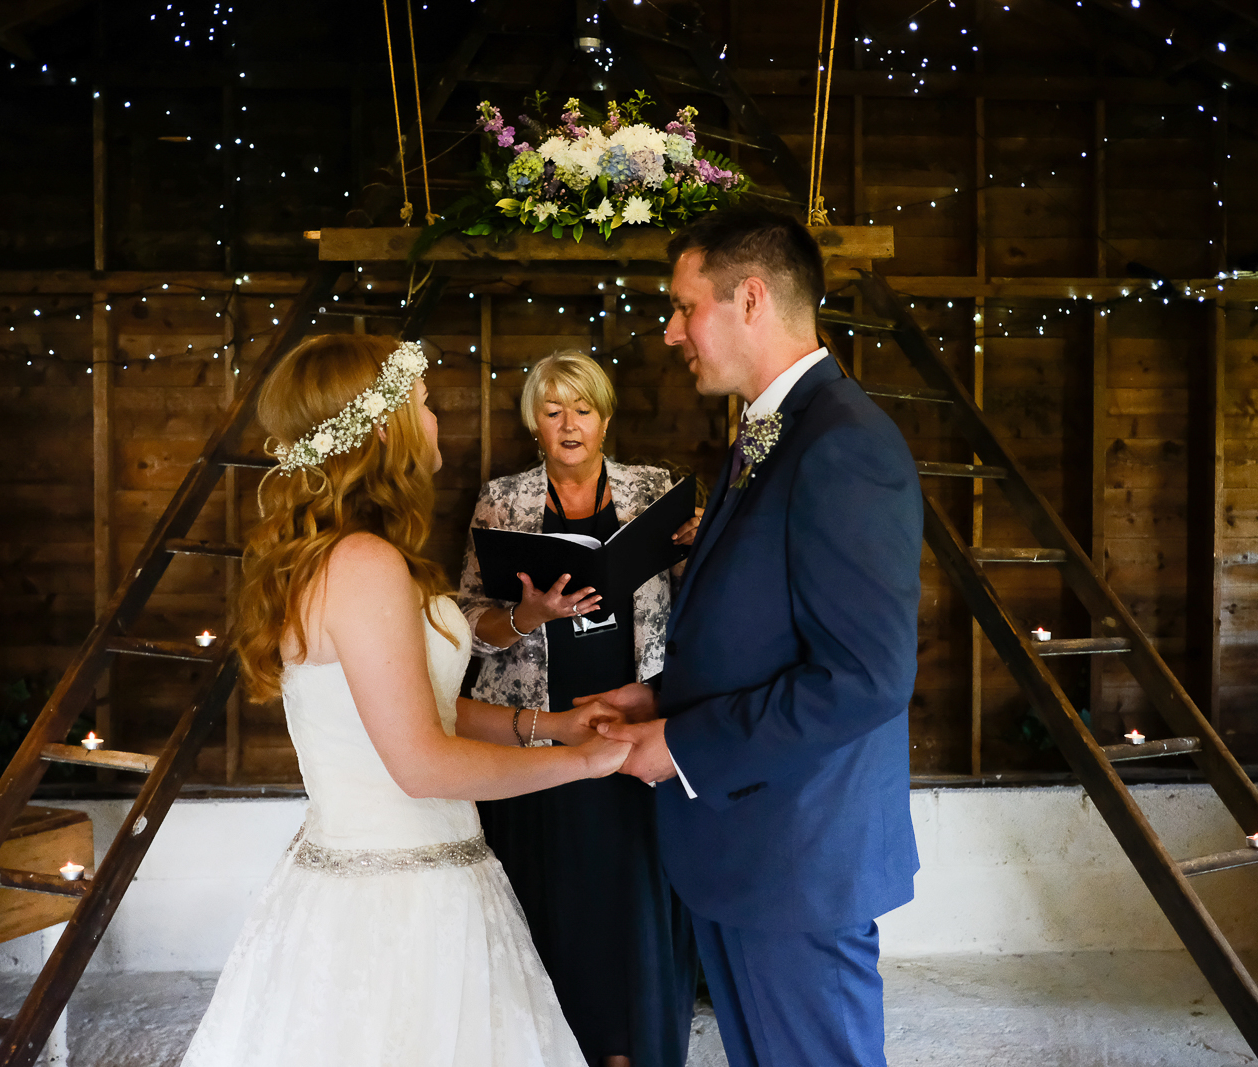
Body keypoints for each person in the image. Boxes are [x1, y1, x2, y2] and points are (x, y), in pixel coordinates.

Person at [181, 334, 631, 1067]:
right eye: (424, 404)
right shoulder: (364, 563)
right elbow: (421, 763)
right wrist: (583, 762)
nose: (436, 419)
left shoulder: (352, 551)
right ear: (385, 428)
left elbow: (423, 709)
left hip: (403, 867)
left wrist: (548, 723)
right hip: (397, 896)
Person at [580, 209, 923, 1067]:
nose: (670, 332)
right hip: (747, 844)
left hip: (799, 854)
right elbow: (772, 629)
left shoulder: (844, 444)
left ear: (751, 299)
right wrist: (663, 697)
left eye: (683, 306)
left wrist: (683, 741)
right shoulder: (767, 431)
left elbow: (867, 677)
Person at [458, 349, 700, 1067]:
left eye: (583, 408)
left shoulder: (654, 488)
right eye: (553, 409)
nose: (569, 424)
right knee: (556, 894)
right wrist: (528, 615)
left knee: (630, 891)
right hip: (539, 734)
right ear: (534, 421)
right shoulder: (500, 500)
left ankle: (633, 1048)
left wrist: (701, 546)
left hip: (633, 720)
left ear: (605, 415)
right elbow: (469, 618)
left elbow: (705, 604)